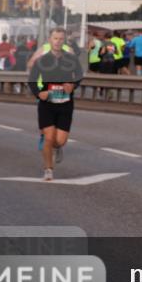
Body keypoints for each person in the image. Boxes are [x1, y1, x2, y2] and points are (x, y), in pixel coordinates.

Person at [27, 28, 83, 181]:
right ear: (50, 40)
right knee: (48, 137)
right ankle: (48, 170)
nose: (58, 41)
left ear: (64, 41)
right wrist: (39, 93)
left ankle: (57, 148)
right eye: (55, 38)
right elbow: (32, 80)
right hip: (47, 102)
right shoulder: (42, 60)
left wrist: (73, 85)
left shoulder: (71, 59)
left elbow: (79, 75)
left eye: (60, 39)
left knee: (60, 141)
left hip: (65, 102)